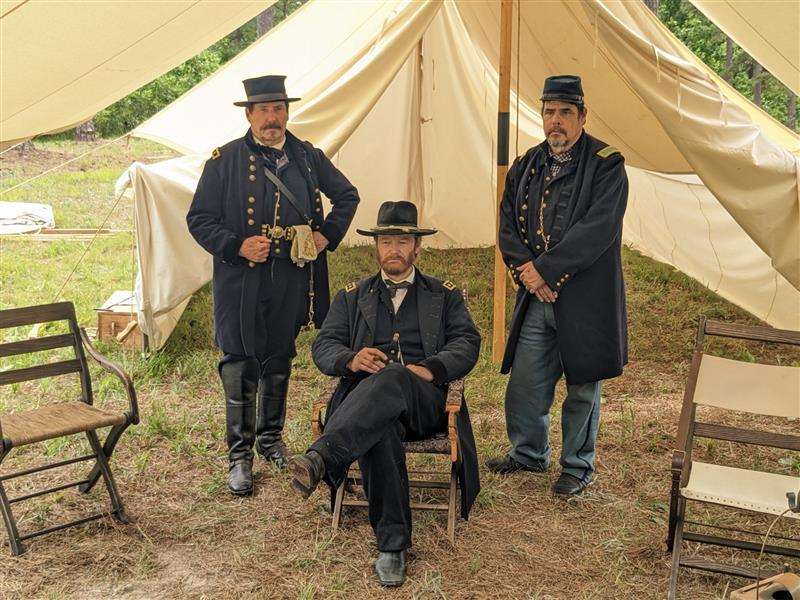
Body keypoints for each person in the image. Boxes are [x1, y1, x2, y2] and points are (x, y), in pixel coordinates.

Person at [288, 201, 481, 587]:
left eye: (403, 241)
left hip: (424, 404)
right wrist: (352, 358)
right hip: (366, 412)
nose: (394, 249)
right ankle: (392, 545)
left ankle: (323, 456)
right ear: (376, 247)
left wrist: (429, 369)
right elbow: (324, 346)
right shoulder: (351, 296)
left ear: (416, 248)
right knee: (379, 429)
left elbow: (467, 342)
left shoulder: (443, 296)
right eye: (387, 240)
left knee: (394, 377)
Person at [186, 75, 359, 496]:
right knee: (240, 360)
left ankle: (270, 440)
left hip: (290, 275)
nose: (272, 118)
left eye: (278, 108)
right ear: (249, 115)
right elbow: (199, 219)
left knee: (280, 354)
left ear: (287, 112)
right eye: (263, 110)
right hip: (241, 278)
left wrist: (325, 236)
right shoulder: (223, 160)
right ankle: (240, 455)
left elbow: (348, 196)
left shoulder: (307, 157)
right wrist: (238, 245)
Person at [487, 75, 629, 498]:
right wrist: (527, 272)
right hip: (535, 296)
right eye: (550, 112)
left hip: (585, 300)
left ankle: (577, 465)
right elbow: (507, 224)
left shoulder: (607, 164)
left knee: (583, 386)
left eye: (566, 113)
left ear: (582, 116)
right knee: (527, 383)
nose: (556, 122)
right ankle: (528, 452)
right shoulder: (526, 164)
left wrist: (547, 271)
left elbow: (598, 229)